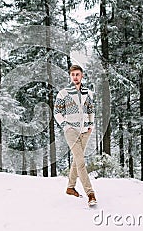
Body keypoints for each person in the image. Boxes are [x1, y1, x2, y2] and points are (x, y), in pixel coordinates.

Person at [54, 64, 97, 206]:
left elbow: (91, 110)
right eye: (73, 75)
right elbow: (57, 112)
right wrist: (65, 126)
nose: (75, 77)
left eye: (77, 74)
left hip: (85, 131)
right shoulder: (63, 93)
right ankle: (90, 194)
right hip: (71, 131)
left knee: (76, 160)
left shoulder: (88, 93)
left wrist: (90, 125)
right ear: (70, 76)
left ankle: (70, 187)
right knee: (81, 162)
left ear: (82, 75)